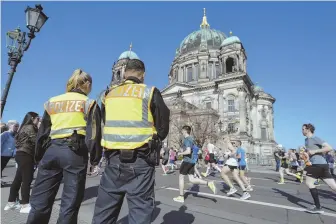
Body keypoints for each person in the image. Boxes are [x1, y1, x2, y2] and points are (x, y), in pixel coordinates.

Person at [92, 59, 170, 224]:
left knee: (104, 214)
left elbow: (106, 121)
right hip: (141, 160)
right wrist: (154, 139)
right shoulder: (150, 92)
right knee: (140, 213)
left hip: (112, 161)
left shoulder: (108, 94)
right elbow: (163, 126)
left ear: (125, 73)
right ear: (143, 75)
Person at [26, 69, 102, 223]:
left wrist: (39, 157)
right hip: (75, 152)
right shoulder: (89, 103)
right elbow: (93, 134)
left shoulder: (53, 101)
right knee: (69, 204)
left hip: (51, 151)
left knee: (40, 202)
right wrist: (94, 160)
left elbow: (43, 132)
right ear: (87, 84)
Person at [4, 112, 39, 213]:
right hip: (26, 155)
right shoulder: (30, 127)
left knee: (18, 179)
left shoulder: (23, 127)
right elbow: (36, 141)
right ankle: (25, 205)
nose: (38, 121)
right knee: (26, 180)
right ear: (32, 118)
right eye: (37, 118)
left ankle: (11, 203)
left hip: (20, 154)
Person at [173, 125, 216, 203]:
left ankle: (181, 196)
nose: (181, 132)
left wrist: (180, 153)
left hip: (187, 161)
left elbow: (188, 151)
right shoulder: (192, 139)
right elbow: (196, 150)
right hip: (192, 161)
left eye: (182, 130)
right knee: (191, 179)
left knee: (181, 177)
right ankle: (208, 183)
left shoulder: (187, 139)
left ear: (185, 131)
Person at [302, 123, 336, 214]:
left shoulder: (315, 138)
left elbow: (329, 147)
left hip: (318, 165)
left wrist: (315, 151)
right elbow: (310, 153)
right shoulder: (306, 140)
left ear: (308, 129)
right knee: (333, 186)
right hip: (322, 165)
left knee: (309, 183)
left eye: (303, 129)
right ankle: (317, 206)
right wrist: (306, 155)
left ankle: (318, 207)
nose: (302, 131)